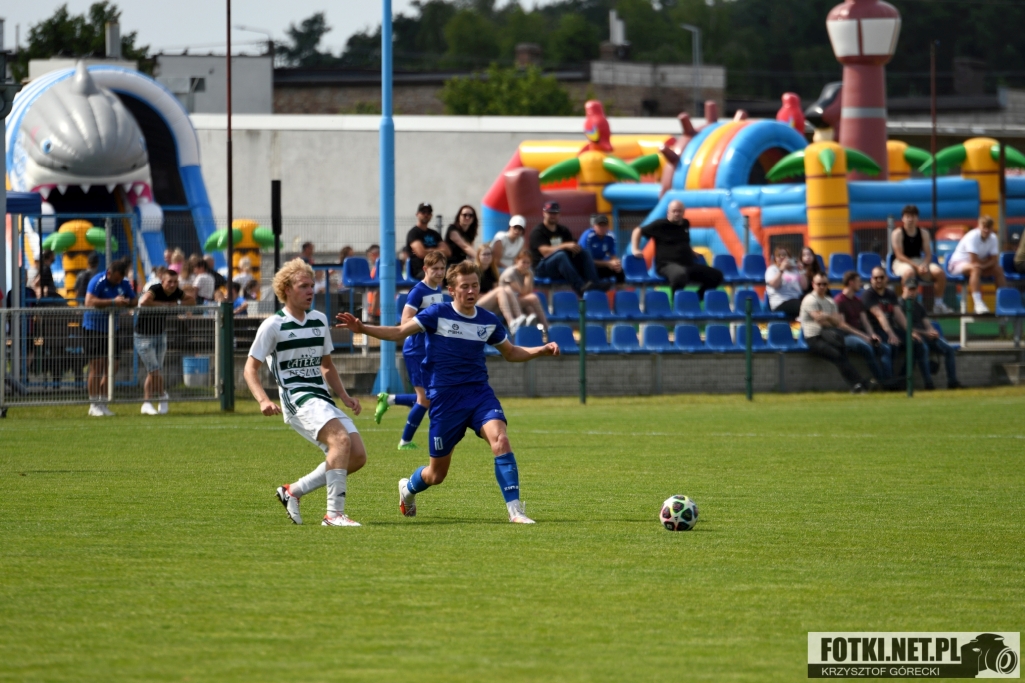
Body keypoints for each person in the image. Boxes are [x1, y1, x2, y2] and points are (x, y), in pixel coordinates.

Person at [335, 259, 560, 524]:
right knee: (436, 474)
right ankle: (408, 488)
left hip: (478, 394)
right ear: (451, 290)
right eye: (464, 286)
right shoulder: (437, 314)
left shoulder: (488, 321)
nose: (471, 291)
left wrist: (541, 350)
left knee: (501, 440)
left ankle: (515, 511)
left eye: (475, 285)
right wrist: (363, 328)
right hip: (445, 400)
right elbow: (399, 332)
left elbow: (510, 352)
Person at [245, 258, 366, 527]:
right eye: (303, 286)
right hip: (297, 398)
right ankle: (333, 515)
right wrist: (263, 400)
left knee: (357, 456)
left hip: (321, 398)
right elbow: (249, 369)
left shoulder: (319, 320)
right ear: (287, 289)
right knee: (340, 440)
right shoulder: (273, 325)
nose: (310, 291)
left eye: (312, 285)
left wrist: (344, 396)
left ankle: (293, 491)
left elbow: (327, 366)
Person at [374, 251, 447, 450]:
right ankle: (404, 442)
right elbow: (405, 321)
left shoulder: (437, 289)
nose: (439, 272)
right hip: (416, 350)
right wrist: (426, 321)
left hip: (429, 349)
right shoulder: (418, 291)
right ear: (425, 269)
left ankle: (389, 399)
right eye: (435, 268)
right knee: (425, 399)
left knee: (430, 395)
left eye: (442, 268)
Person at [630, 200, 723, 298]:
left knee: (716, 275)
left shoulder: (685, 224)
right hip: (666, 265)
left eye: (679, 211)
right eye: (674, 211)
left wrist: (691, 251)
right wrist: (635, 249)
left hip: (688, 265)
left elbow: (683, 241)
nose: (677, 213)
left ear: (683, 212)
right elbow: (637, 231)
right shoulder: (659, 225)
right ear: (668, 213)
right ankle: (678, 304)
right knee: (680, 275)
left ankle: (695, 299)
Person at [136, 267, 194, 415]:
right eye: (169, 282)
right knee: (154, 369)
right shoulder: (155, 289)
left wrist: (177, 305)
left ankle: (147, 403)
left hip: (160, 335)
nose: (173, 285)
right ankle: (163, 395)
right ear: (163, 281)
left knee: (153, 371)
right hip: (143, 336)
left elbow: (192, 300)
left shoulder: (176, 292)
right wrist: (164, 305)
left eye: (175, 282)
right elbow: (144, 301)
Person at [84, 257, 137, 416]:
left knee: (113, 366)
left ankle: (103, 402)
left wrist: (126, 302)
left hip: (113, 329)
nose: (118, 282)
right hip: (94, 328)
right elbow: (89, 301)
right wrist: (113, 302)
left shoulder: (124, 283)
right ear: (109, 273)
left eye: (120, 279)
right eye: (115, 279)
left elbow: (134, 300)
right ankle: (93, 404)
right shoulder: (97, 281)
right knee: (97, 366)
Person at [800, 274, 871, 393]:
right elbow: (821, 321)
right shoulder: (810, 300)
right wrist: (830, 319)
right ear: (813, 285)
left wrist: (827, 317)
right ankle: (859, 383)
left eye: (824, 284)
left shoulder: (830, 301)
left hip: (828, 335)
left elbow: (837, 322)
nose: (822, 287)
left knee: (842, 353)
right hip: (814, 337)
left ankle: (857, 384)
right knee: (837, 355)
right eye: (819, 284)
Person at [530, 201, 609, 295]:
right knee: (560, 255)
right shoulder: (538, 231)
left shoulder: (563, 230)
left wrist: (577, 248)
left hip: (561, 268)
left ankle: (594, 284)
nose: (553, 215)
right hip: (541, 268)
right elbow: (545, 252)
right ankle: (580, 287)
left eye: (555, 213)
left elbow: (572, 246)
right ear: (544, 213)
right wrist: (564, 245)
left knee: (585, 252)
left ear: (559, 214)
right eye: (550, 213)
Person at [900, 279, 963, 390]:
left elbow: (927, 323)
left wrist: (932, 331)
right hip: (909, 336)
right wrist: (926, 332)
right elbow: (905, 327)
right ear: (903, 288)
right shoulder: (899, 305)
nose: (912, 292)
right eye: (910, 289)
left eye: (914, 289)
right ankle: (929, 384)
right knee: (923, 348)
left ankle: (952, 382)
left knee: (949, 350)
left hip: (924, 335)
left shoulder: (919, 306)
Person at [891, 204, 952, 314]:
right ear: (903, 218)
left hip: (919, 261)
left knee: (939, 272)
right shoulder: (897, 233)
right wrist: (916, 266)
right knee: (909, 272)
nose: (910, 219)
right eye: (907, 216)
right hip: (901, 262)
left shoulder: (924, 233)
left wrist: (924, 264)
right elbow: (899, 255)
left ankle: (938, 305)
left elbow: (928, 254)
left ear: (917, 218)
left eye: (913, 216)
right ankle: (907, 304)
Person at [834, 271, 892, 384]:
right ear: (851, 283)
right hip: (846, 336)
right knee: (866, 348)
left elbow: (865, 322)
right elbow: (842, 325)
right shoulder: (839, 300)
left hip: (861, 335)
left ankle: (889, 379)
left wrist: (872, 334)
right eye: (858, 281)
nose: (860, 284)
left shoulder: (857, 301)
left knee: (885, 348)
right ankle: (882, 381)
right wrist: (863, 336)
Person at [947, 215, 1005, 314]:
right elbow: (974, 261)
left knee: (998, 269)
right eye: (984, 227)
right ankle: (978, 303)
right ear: (979, 226)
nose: (986, 230)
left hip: (977, 266)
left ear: (992, 228)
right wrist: (985, 264)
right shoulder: (972, 236)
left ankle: (1004, 302)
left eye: (989, 227)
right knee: (975, 269)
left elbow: (994, 260)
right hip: (956, 265)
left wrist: (983, 265)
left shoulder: (994, 238)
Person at [861, 266, 912, 374]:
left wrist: (910, 331)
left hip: (891, 328)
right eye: (876, 278)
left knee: (915, 343)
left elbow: (898, 314)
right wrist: (891, 334)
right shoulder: (868, 295)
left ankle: (904, 377)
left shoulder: (890, 294)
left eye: (881, 277)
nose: (879, 280)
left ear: (886, 278)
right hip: (876, 330)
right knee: (891, 346)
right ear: (871, 279)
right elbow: (879, 315)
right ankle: (889, 379)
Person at [477, 244, 530, 334]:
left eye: (489, 254)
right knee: (501, 290)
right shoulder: (474, 271)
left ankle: (519, 317)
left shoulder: (493, 271)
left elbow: (494, 291)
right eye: (484, 254)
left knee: (507, 288)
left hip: (489, 305)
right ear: (478, 256)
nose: (487, 256)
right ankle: (511, 322)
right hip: (476, 306)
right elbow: (472, 293)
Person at [500, 251, 549, 331]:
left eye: (528, 263)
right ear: (517, 261)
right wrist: (528, 277)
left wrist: (528, 276)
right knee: (533, 298)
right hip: (507, 304)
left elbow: (528, 292)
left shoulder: (529, 272)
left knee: (531, 309)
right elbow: (523, 293)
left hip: (518, 300)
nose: (526, 265)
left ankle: (536, 330)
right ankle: (546, 327)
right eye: (523, 262)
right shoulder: (510, 273)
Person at [406, 202, 449, 280]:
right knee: (437, 276)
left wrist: (428, 250)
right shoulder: (413, 233)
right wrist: (438, 251)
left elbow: (447, 252)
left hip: (438, 267)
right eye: (423, 212)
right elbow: (421, 253)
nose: (426, 214)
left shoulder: (435, 234)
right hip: (420, 270)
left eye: (428, 212)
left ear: (431, 215)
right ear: (417, 214)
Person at [764, 246, 806, 320]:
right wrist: (781, 270)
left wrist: (802, 270)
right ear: (775, 259)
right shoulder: (772, 269)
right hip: (780, 302)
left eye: (784, 255)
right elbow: (774, 285)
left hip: (797, 299)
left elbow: (804, 287)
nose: (781, 257)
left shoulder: (795, 270)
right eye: (778, 255)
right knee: (804, 306)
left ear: (789, 257)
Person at [579, 214, 623, 283]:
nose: (602, 228)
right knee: (590, 269)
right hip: (585, 267)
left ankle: (620, 288)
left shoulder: (610, 237)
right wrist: (607, 263)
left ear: (608, 227)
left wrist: (616, 263)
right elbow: (586, 260)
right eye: (599, 225)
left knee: (619, 270)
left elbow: (613, 256)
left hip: (600, 265)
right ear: (594, 226)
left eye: (604, 225)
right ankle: (592, 287)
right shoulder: (588, 236)